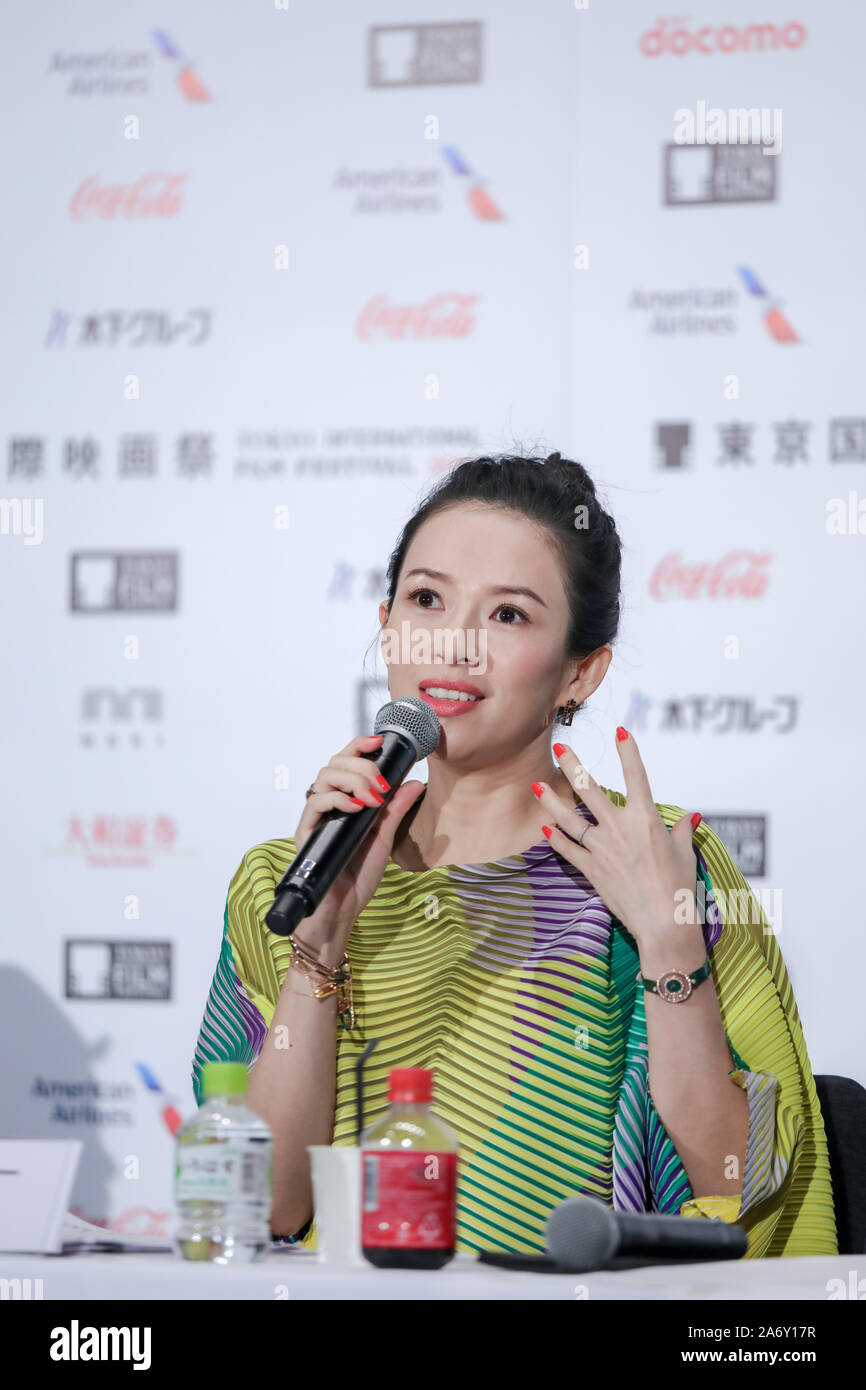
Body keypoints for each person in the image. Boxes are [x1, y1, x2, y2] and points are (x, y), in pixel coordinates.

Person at [191, 451, 837, 1258]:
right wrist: (317, 952)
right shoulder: (284, 878)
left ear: (580, 672)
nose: (456, 645)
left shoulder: (656, 859)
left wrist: (669, 947)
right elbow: (268, 1213)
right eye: (427, 600)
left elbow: (737, 1187)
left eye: (508, 616)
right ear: (386, 621)